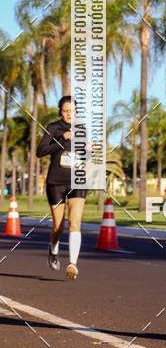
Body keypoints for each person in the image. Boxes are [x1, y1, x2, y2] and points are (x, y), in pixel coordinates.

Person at [37, 96, 88, 280]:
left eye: (72, 110)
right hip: (56, 181)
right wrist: (60, 138)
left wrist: (89, 150)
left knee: (75, 223)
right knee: (58, 227)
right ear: (60, 111)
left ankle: (72, 264)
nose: (69, 113)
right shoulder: (53, 127)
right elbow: (40, 151)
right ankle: (53, 248)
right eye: (65, 110)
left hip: (78, 180)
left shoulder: (82, 129)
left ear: (76, 111)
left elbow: (86, 156)